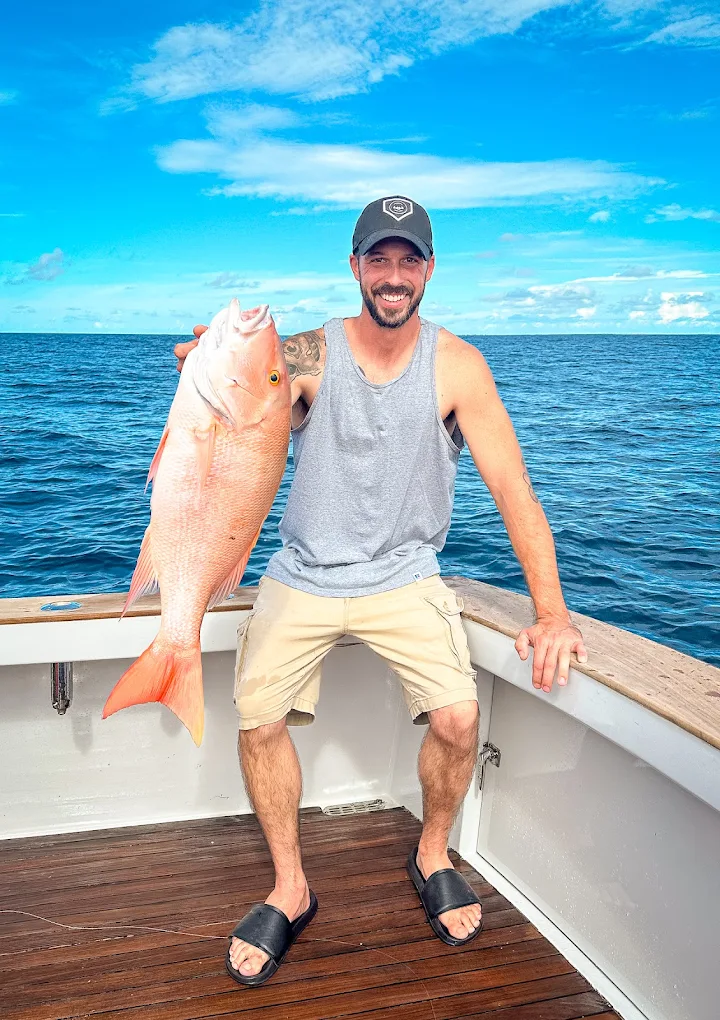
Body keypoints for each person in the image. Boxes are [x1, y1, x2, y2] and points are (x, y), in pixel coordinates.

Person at [174, 195, 588, 987]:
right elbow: (240, 389)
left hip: (406, 572)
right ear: (355, 266)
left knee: (462, 718)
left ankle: (431, 851)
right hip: (303, 571)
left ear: (428, 270)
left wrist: (553, 612)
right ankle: (290, 888)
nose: (393, 276)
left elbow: (515, 492)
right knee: (258, 721)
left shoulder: (459, 365)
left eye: (409, 260)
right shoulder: (306, 354)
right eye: (378, 259)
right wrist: (202, 362)